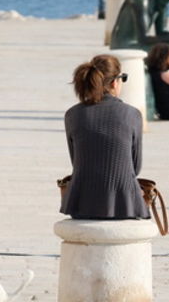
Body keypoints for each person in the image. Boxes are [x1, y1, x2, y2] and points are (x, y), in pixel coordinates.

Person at [60, 54, 149, 219]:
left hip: (82, 203)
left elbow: (76, 161)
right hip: (125, 204)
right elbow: (135, 167)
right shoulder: (131, 114)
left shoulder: (72, 114)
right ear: (115, 82)